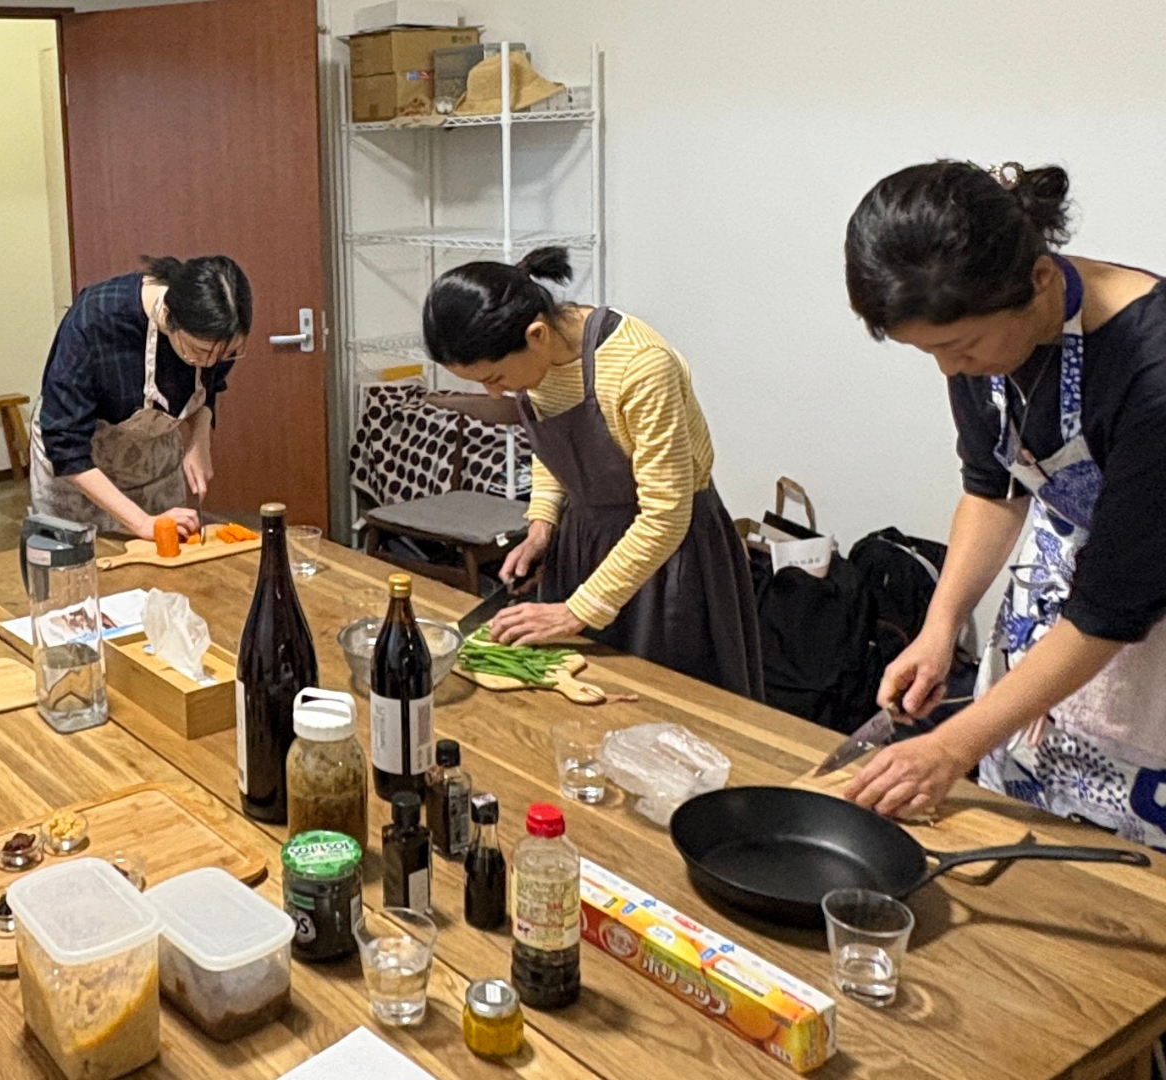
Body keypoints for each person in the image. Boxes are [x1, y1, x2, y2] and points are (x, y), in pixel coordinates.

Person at [841, 161, 1166, 842]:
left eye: (957, 348)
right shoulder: (982, 336)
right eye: (930, 352)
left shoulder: (1151, 367)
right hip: (1058, 600)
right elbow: (994, 490)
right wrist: (940, 626)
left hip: (1139, 619)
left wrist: (951, 745)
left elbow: (1113, 606)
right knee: (1026, 830)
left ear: (1040, 279)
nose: (948, 368)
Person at [421, 246, 763, 698]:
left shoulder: (640, 366)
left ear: (537, 334)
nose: (494, 393)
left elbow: (666, 515)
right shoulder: (538, 361)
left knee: (664, 709)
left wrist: (577, 611)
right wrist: (542, 526)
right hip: (582, 544)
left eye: (496, 378)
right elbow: (554, 446)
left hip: (667, 559)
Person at [31, 255, 250, 539]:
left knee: (163, 558)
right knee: (88, 561)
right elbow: (65, 445)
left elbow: (209, 386)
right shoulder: (95, 320)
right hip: (79, 476)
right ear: (168, 316)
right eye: (198, 351)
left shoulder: (217, 339)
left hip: (154, 467)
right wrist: (141, 523)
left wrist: (199, 440)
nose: (209, 363)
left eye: (226, 354)